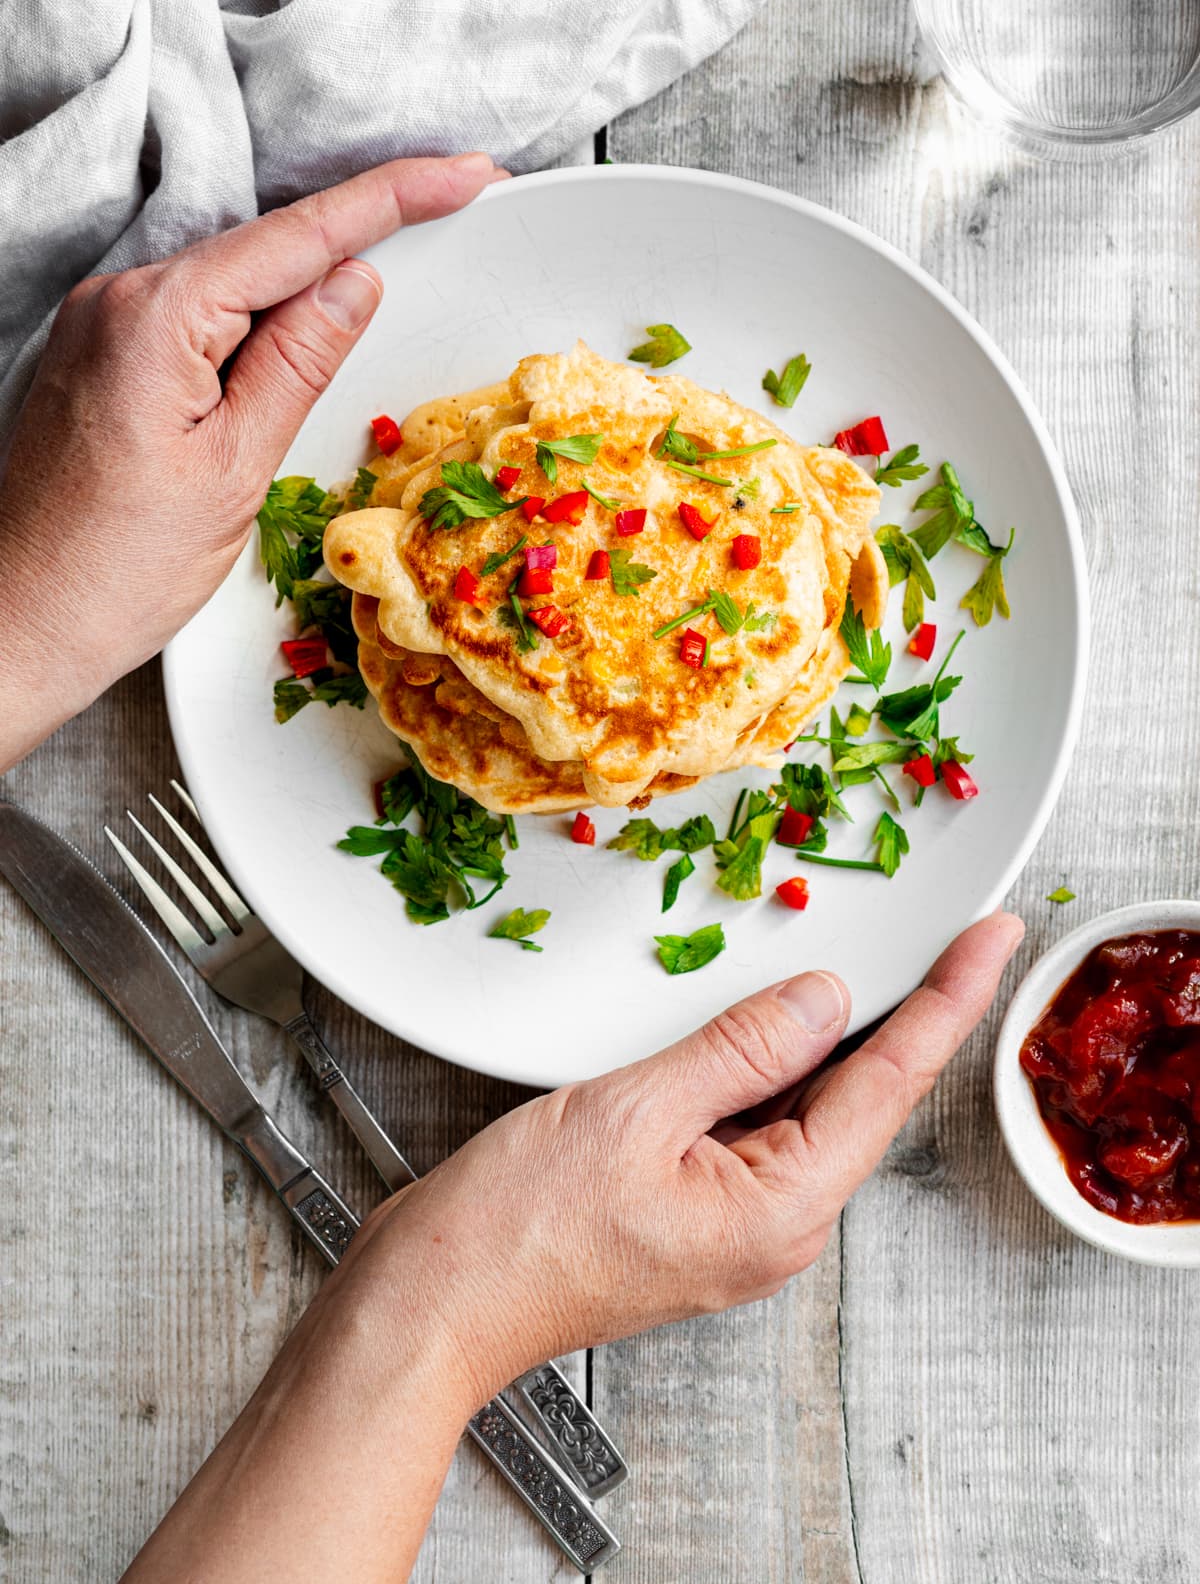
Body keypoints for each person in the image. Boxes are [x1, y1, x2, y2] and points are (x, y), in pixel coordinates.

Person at [0, 153, 1024, 1582]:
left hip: (660, 627)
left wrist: (28, 620)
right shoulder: (416, 601)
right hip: (507, 596)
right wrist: (448, 1308)